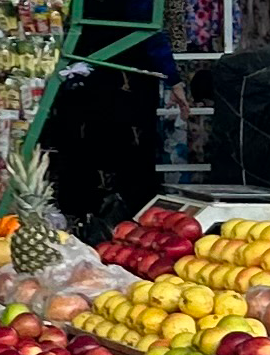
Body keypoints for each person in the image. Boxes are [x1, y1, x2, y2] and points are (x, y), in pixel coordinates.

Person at [50, 0, 189, 232]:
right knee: (127, 158)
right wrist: (172, 78)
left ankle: (85, 223)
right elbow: (149, 29)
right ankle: (126, 225)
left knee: (86, 154)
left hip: (88, 79)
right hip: (121, 85)